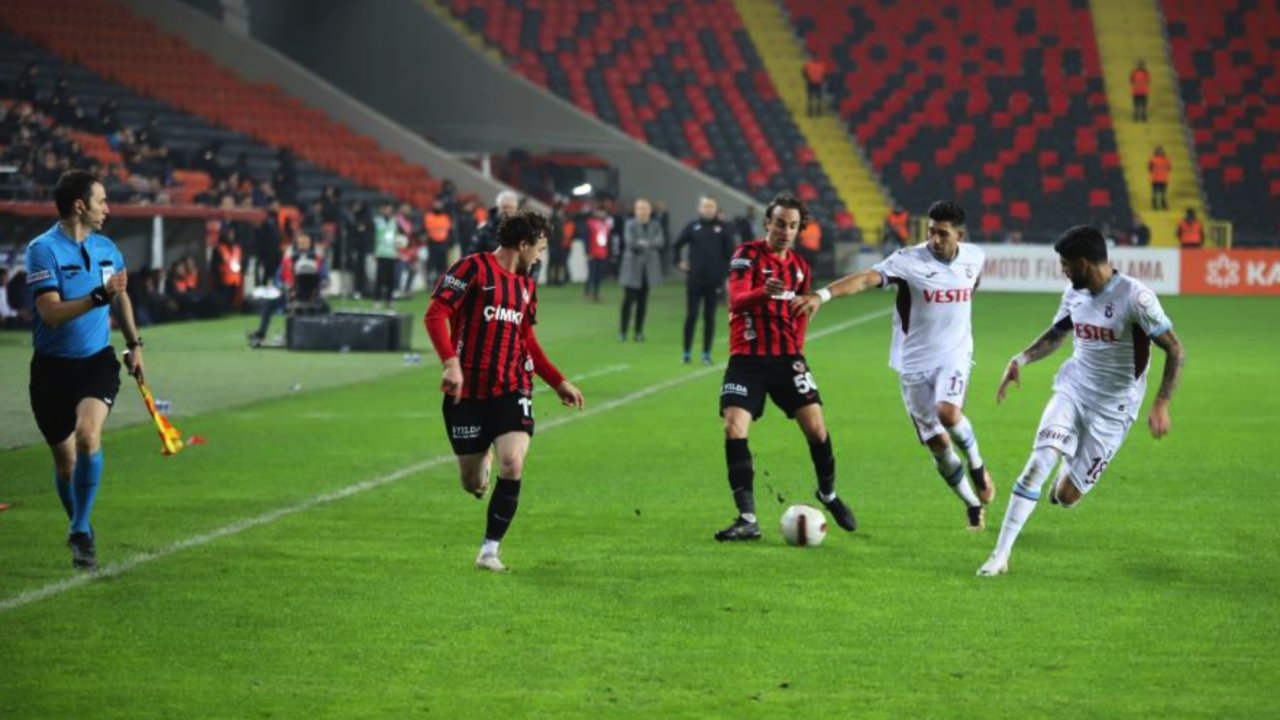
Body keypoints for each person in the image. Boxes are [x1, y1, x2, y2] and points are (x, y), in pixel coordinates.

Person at [977, 226, 1185, 576]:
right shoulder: (1074, 294)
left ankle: (1064, 471)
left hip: (1114, 409)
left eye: (1065, 265)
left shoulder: (1136, 298)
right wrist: (1020, 359)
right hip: (1073, 389)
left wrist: (1162, 401)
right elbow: (1058, 333)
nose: (1063, 271)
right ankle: (1000, 556)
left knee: (1066, 496)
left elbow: (1174, 348)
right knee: (1037, 463)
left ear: (1084, 263)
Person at [793, 201, 995, 530]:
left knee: (949, 414)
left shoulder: (975, 257)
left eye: (943, 234)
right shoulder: (908, 261)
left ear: (959, 235)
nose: (934, 239)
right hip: (913, 365)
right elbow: (864, 279)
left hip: (954, 356)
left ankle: (976, 465)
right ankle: (971, 502)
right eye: (931, 231)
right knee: (938, 445)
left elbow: (973, 284)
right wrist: (822, 295)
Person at [424, 209, 585, 572]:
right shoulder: (472, 269)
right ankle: (482, 462)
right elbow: (435, 314)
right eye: (540, 248)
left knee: (513, 461)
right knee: (473, 482)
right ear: (523, 244)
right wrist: (451, 363)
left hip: (512, 386)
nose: (541, 256)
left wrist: (557, 380)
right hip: (467, 393)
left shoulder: (528, 287)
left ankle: (489, 550)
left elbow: (526, 338)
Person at [712, 192, 857, 541]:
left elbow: (802, 310)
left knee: (817, 430)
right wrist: (764, 291)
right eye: (779, 223)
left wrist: (797, 349)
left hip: (788, 360)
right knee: (734, 427)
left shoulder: (800, 268)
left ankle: (829, 494)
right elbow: (737, 299)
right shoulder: (746, 255)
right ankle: (747, 518)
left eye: (792, 226)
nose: (785, 231)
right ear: (768, 222)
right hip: (747, 358)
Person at [24, 169, 146, 570]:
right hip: (51, 371)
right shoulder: (43, 250)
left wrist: (134, 345)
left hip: (96, 362)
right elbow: (51, 313)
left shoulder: (108, 249)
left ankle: (78, 528)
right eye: (102, 201)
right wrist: (99, 295)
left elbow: (120, 297)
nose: (108, 209)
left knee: (88, 436)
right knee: (65, 463)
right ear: (80, 206)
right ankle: (83, 527)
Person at [673, 195, 735, 365]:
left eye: (711, 206)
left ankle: (706, 353)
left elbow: (731, 255)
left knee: (710, 317)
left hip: (714, 281)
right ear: (699, 208)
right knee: (691, 316)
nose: (708, 209)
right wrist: (678, 262)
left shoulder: (723, 228)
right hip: (694, 280)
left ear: (716, 209)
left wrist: (728, 277)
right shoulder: (693, 227)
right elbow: (677, 245)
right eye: (705, 206)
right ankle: (686, 353)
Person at [248, 232, 328, 347]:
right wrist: (284, 287)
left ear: (311, 244)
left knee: (326, 309)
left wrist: (320, 287)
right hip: (290, 295)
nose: (303, 245)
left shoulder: (319, 260)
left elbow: (325, 278)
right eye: (301, 243)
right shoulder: (288, 259)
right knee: (268, 305)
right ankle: (261, 333)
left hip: (312, 297)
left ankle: (324, 336)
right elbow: (278, 278)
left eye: (305, 243)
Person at [619, 198, 665, 341]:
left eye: (644, 208)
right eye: (639, 208)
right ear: (635, 210)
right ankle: (623, 332)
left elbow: (661, 242)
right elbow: (630, 243)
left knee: (643, 302)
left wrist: (643, 243)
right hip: (632, 268)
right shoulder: (629, 225)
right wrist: (649, 245)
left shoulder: (656, 225)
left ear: (650, 210)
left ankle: (638, 332)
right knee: (628, 300)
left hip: (648, 269)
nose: (642, 211)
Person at [470, 190, 520, 256]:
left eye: (511, 208)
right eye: (504, 207)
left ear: (516, 210)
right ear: (498, 208)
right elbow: (472, 254)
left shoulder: (521, 232)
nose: (507, 211)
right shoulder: (485, 229)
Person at [583, 205, 612, 302]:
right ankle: (588, 292)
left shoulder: (606, 225)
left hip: (602, 253)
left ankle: (596, 292)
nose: (601, 214)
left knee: (599, 274)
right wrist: (587, 251)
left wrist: (608, 252)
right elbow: (586, 238)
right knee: (591, 273)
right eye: (599, 211)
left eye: (603, 212)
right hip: (592, 252)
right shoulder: (589, 223)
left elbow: (608, 240)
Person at [1149, 146, 1171, 211]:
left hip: (1163, 179)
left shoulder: (1166, 160)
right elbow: (1150, 168)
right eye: (1159, 151)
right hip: (1156, 179)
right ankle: (1154, 205)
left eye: (1161, 151)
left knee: (1163, 194)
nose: (1160, 152)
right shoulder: (1153, 159)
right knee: (1155, 193)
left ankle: (1163, 205)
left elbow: (1169, 168)